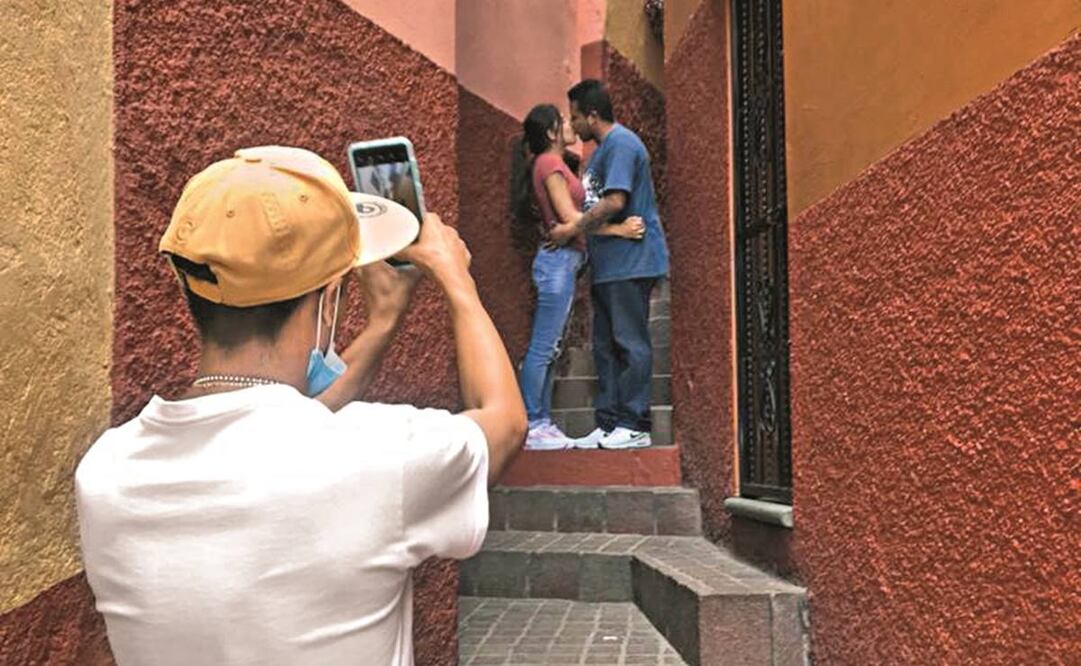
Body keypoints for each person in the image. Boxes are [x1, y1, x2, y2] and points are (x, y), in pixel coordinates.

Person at [75, 146, 526, 665]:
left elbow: (269, 433)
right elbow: (505, 423)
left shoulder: (105, 474)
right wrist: (456, 278)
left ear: (192, 288)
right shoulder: (381, 458)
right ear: (329, 300)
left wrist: (382, 323)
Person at [509, 104, 645, 450]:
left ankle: (542, 421)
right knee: (543, 346)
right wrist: (620, 230)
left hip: (565, 263)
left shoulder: (555, 163)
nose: (570, 125)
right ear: (552, 132)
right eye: (564, 121)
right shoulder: (549, 163)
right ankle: (532, 423)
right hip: (556, 265)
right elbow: (571, 219)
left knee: (552, 347)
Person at [549, 80, 670, 450]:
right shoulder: (603, 151)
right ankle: (608, 423)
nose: (573, 125)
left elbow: (615, 200)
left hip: (631, 261)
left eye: (575, 117)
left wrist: (574, 228)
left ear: (592, 116)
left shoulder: (621, 144)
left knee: (630, 342)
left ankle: (635, 423)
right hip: (609, 264)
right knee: (604, 346)